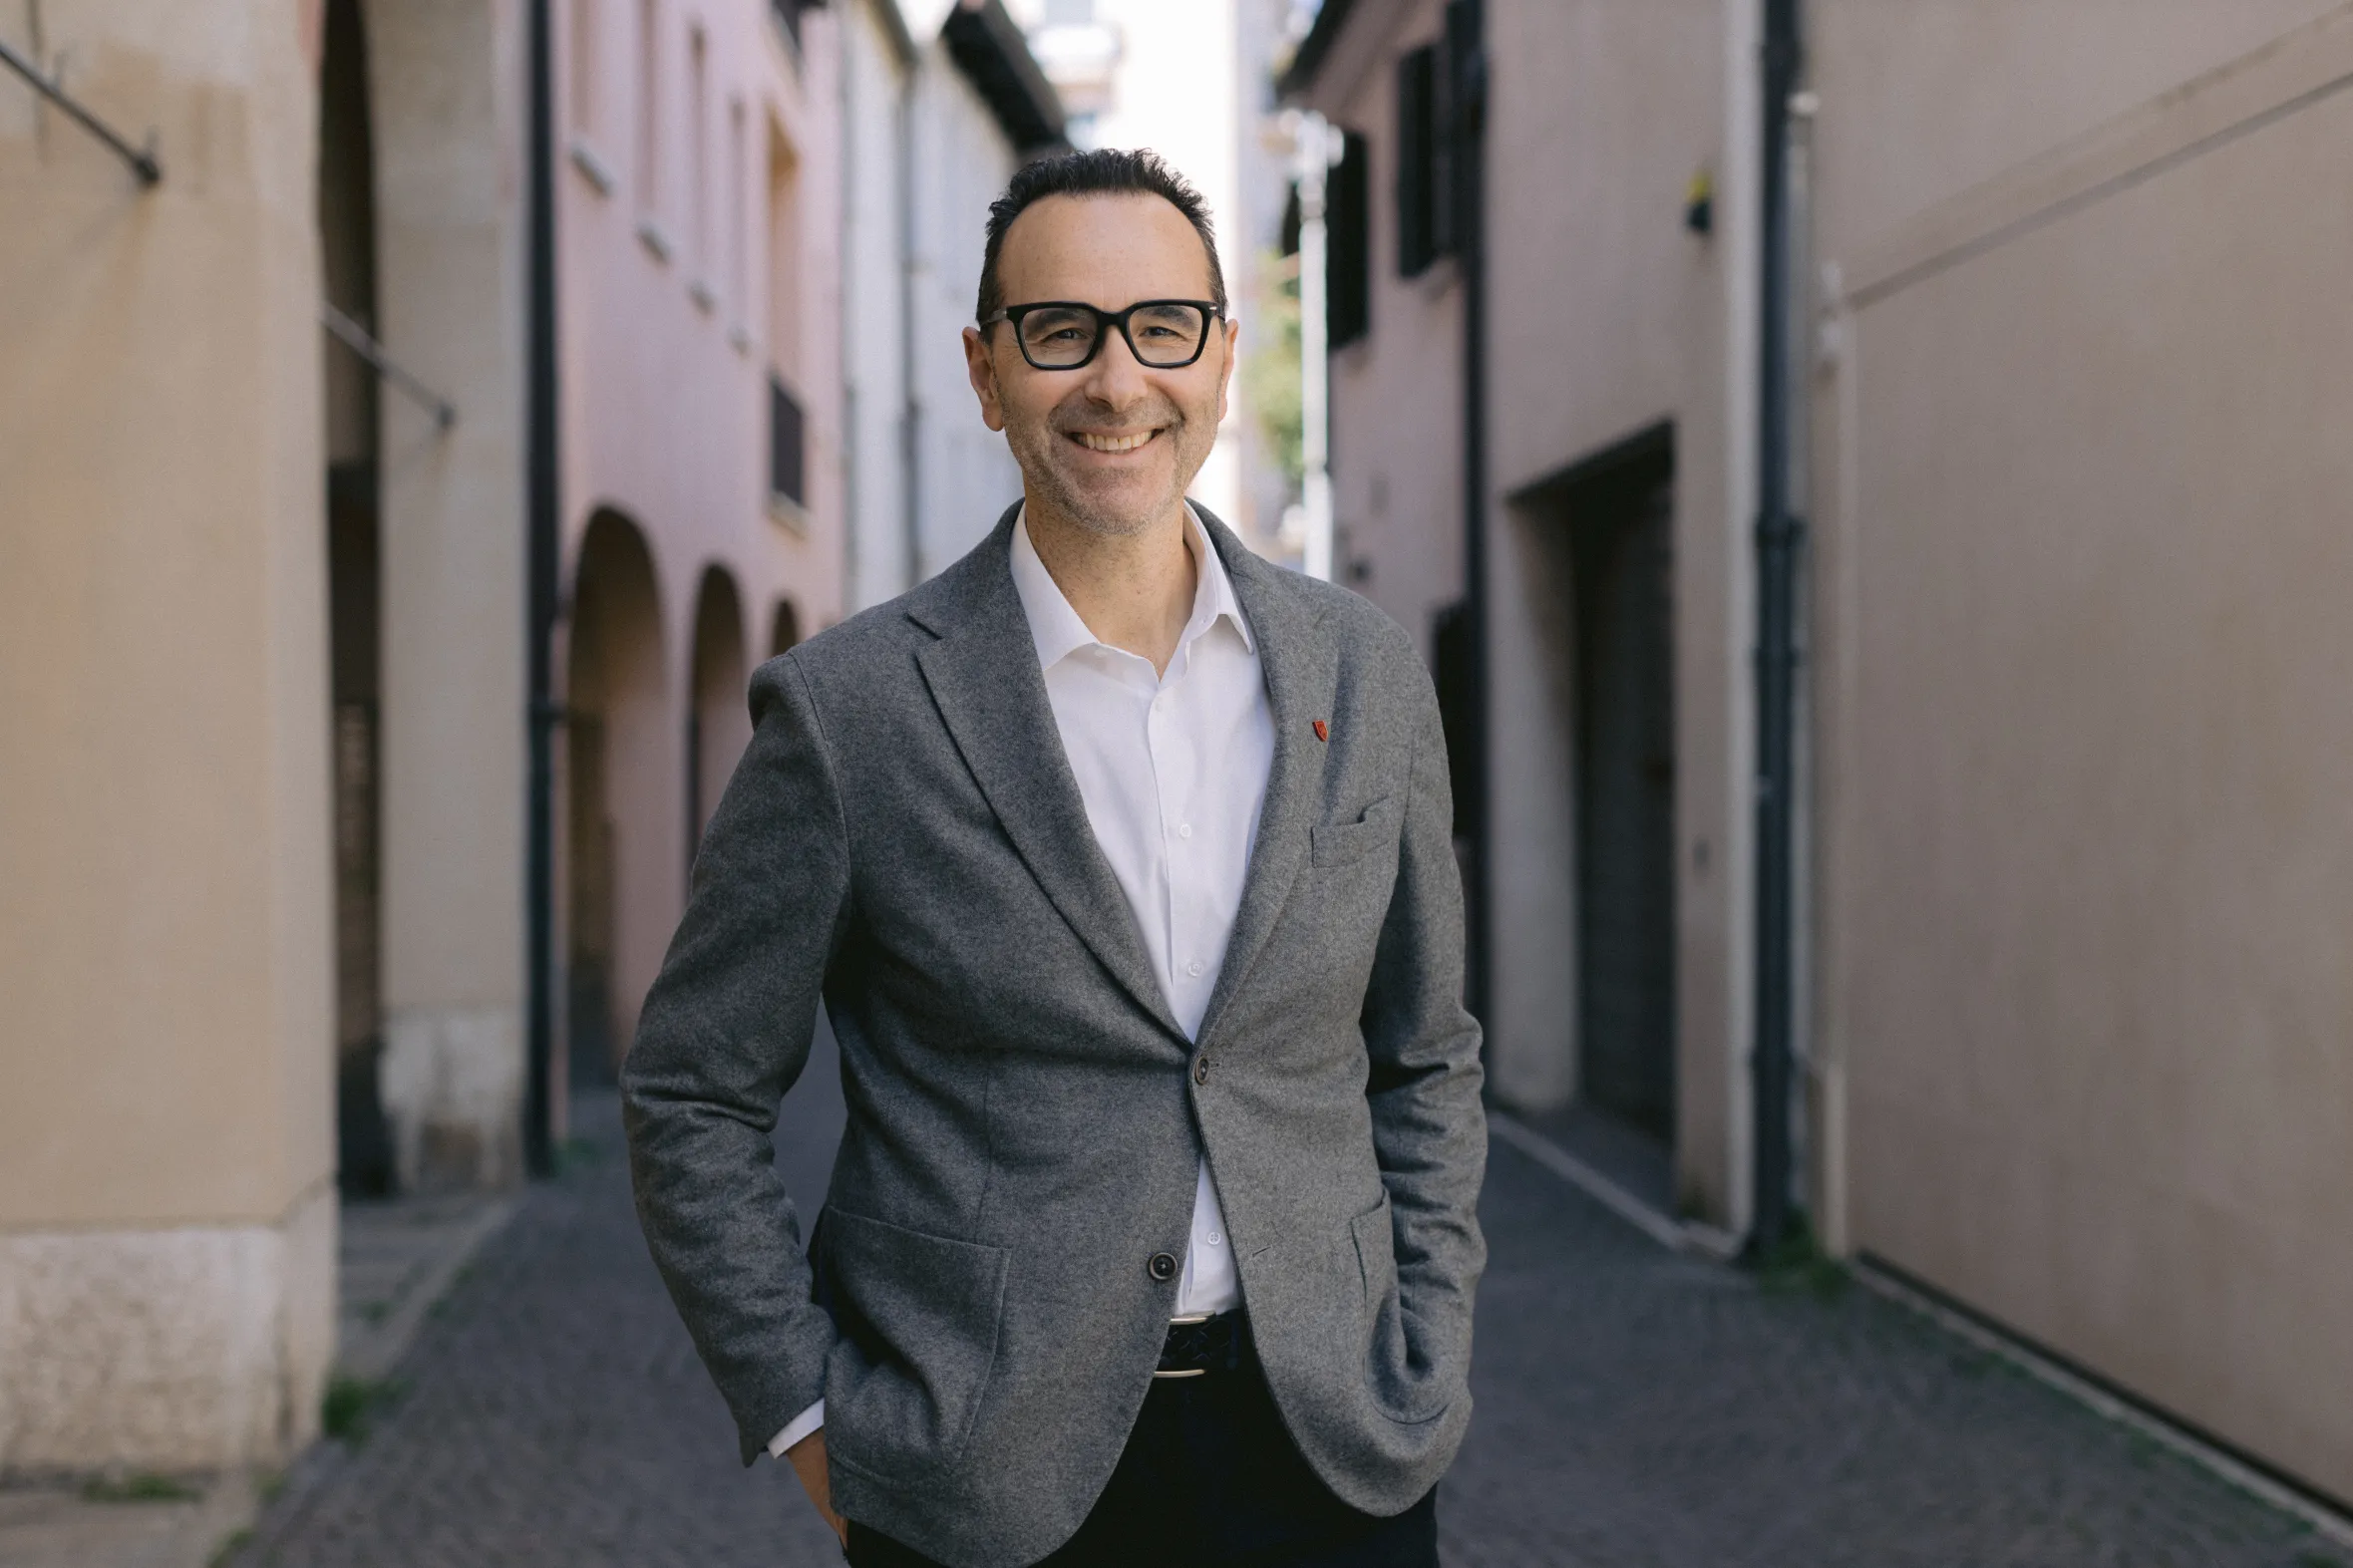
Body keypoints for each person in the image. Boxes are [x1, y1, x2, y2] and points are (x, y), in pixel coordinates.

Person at [622, 148, 1486, 1568]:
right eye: (1058, 331)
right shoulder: (852, 715)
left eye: (1162, 326)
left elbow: (1426, 1051)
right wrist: (804, 1413)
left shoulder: (1365, 672)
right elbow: (692, 1089)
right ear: (985, 369)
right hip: (983, 1480)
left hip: (1334, 1453)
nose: (1115, 380)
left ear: (1219, 354)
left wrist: (1428, 1350)